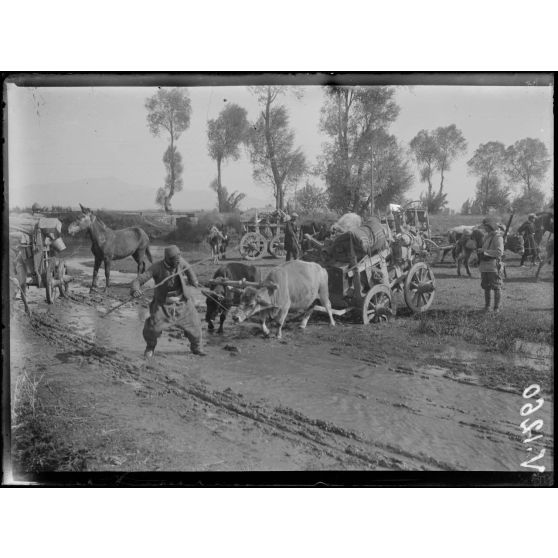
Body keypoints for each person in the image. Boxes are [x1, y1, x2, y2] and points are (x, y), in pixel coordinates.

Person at [130, 245, 206, 358]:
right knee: (153, 328)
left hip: (183, 303)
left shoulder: (180, 262)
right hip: (163, 305)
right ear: (167, 259)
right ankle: (150, 347)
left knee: (195, 325)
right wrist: (136, 289)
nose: (177, 262)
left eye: (178, 259)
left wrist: (193, 279)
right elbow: (138, 280)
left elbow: (189, 269)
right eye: (174, 260)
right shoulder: (156, 267)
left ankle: (197, 348)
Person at [478, 216, 505, 313]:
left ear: (490, 226)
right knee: (486, 287)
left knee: (496, 286)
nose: (484, 228)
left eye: (485, 226)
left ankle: (496, 308)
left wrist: (484, 252)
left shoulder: (498, 237)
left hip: (493, 266)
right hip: (485, 265)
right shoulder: (487, 236)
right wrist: (481, 251)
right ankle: (487, 307)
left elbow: (499, 252)